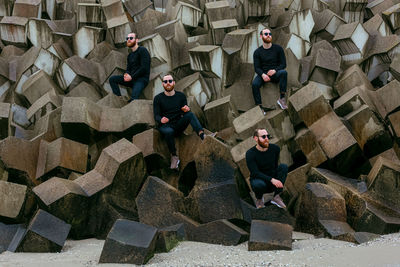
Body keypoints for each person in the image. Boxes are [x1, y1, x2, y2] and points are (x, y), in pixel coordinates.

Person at [153, 74, 211, 169]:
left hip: (178, 125)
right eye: (165, 81)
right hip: (166, 126)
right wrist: (161, 119)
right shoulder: (158, 98)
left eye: (170, 81)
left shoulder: (181, 96)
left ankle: (202, 136)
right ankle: (174, 157)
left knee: (190, 114)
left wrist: (186, 110)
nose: (168, 83)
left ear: (174, 83)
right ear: (163, 84)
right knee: (169, 131)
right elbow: (156, 115)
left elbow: (184, 113)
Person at [245, 128, 288, 209]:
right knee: (259, 185)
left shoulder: (275, 149)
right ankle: (259, 199)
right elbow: (255, 173)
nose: (266, 139)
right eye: (263, 137)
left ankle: (276, 197)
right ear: (256, 138)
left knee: (283, 167)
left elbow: (275, 166)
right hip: (259, 182)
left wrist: (275, 179)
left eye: (268, 136)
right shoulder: (250, 154)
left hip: (272, 181)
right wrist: (272, 179)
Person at [252, 28, 288, 111]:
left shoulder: (278, 49)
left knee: (284, 73)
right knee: (255, 84)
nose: (268, 35)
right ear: (261, 36)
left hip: (275, 73)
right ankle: (260, 107)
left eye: (270, 34)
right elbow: (256, 68)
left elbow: (283, 64)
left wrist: (275, 70)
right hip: (263, 75)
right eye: (266, 34)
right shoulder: (257, 52)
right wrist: (263, 75)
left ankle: (282, 99)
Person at [109, 32, 151, 102]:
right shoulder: (130, 55)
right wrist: (126, 74)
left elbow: (144, 68)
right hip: (131, 79)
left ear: (136, 40)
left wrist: (132, 77)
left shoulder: (143, 50)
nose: (128, 40)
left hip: (141, 79)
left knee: (133, 99)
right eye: (127, 38)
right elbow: (128, 68)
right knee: (112, 79)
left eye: (131, 38)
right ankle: (119, 98)